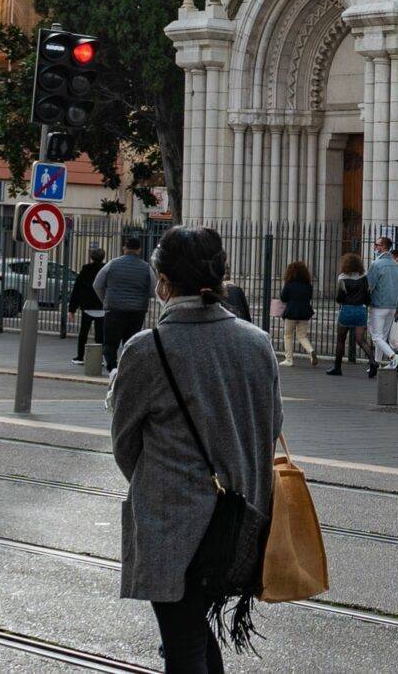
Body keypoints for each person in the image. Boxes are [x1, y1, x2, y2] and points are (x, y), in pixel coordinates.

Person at [109, 226, 280, 674]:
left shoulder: (147, 349)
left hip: (173, 521)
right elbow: (271, 426)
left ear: (162, 281)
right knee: (191, 637)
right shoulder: (257, 341)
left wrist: (159, 485)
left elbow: (125, 443)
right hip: (240, 519)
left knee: (184, 646)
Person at [97, 229, 156, 374]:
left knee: (110, 342)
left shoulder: (112, 264)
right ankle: (126, 369)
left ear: (124, 248)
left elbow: (97, 284)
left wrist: (106, 299)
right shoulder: (146, 267)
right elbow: (154, 289)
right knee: (130, 341)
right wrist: (142, 297)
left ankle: (112, 368)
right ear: (139, 250)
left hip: (114, 309)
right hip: (137, 311)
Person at [363, 237, 398, 380]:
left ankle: (394, 356)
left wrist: (366, 301)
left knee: (376, 336)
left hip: (379, 305)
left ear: (383, 247)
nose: (375, 247)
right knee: (382, 337)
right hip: (393, 306)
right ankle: (376, 364)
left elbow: (369, 285)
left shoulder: (376, 264)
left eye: (377, 244)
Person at [328, 253, 370, 377]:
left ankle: (337, 367)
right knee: (361, 340)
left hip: (346, 310)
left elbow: (339, 298)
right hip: (360, 310)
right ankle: (373, 363)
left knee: (341, 340)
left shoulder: (342, 278)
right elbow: (368, 297)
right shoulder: (365, 277)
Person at [69, 244, 107, 361]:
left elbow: (76, 291)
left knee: (83, 333)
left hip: (87, 307)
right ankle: (99, 358)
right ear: (103, 257)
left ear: (91, 257)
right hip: (102, 307)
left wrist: (72, 310)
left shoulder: (85, 271)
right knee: (100, 335)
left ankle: (80, 356)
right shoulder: (106, 271)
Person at [276, 262, 317, 367]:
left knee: (288, 335)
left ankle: (289, 359)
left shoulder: (289, 284)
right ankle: (311, 351)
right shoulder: (308, 285)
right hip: (304, 313)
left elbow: (283, 298)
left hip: (291, 312)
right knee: (302, 335)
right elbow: (309, 297)